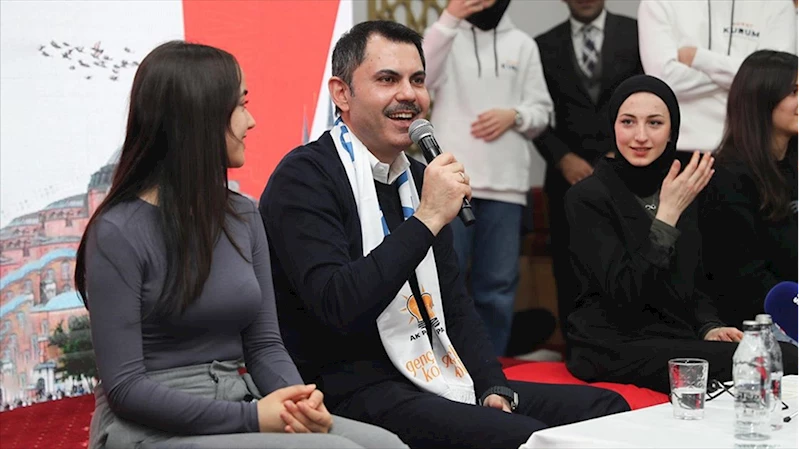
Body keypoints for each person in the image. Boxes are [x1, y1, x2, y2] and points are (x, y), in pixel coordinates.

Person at [260, 20, 629, 449]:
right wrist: (427, 218)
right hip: (353, 386)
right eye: (387, 79)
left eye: (418, 80)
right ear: (342, 93)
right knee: (525, 438)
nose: (409, 95)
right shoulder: (304, 177)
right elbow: (337, 305)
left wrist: (492, 384)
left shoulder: (419, 177)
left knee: (606, 408)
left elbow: (454, 303)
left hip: (436, 370)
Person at [74, 41, 407, 449]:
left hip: (240, 401)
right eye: (240, 106)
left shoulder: (243, 215)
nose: (250, 121)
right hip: (150, 428)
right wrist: (253, 417)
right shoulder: (116, 232)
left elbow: (265, 346)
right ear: (198, 117)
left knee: (387, 444)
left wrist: (298, 401)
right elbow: (125, 388)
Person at [563, 74, 799, 394]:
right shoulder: (588, 197)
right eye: (628, 122)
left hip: (672, 335)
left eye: (655, 123)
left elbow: (692, 281)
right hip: (610, 343)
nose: (641, 136)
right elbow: (624, 295)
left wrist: (709, 326)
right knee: (783, 359)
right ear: (612, 126)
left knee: (775, 354)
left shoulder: (680, 186)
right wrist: (666, 217)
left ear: (672, 130)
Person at [421, 0, 553, 356]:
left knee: (497, 286)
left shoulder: (522, 44)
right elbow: (422, 78)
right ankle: (443, 364)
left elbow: (542, 112)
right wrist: (450, 17)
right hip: (451, 184)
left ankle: (491, 367)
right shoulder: (445, 37)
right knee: (443, 281)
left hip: (506, 187)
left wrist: (515, 115)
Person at [533, 0, 643, 337]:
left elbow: (650, 98)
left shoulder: (637, 33)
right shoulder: (541, 45)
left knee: (630, 264)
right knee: (569, 268)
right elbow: (533, 113)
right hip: (566, 178)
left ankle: (628, 344)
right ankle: (576, 347)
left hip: (629, 173)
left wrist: (619, 151)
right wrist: (562, 158)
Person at [700, 50, 798, 329]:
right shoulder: (727, 177)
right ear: (762, 98)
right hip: (759, 326)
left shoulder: (791, 167)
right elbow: (742, 280)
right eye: (794, 91)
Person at [638, 0, 797, 161]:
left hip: (755, 151)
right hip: (679, 149)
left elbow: (777, 79)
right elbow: (665, 80)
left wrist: (699, 58)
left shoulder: (778, 4)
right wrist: (747, 73)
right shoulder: (658, 2)